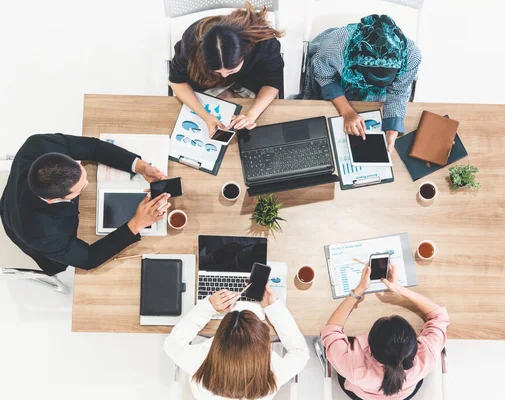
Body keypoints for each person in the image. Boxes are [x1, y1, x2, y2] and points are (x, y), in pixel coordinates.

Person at [0, 133, 171, 276]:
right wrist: (137, 223)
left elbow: (92, 148)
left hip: (20, 188)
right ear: (54, 200)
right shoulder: (41, 234)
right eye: (81, 188)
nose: (87, 183)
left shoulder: (38, 144)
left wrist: (140, 166)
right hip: (19, 224)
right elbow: (89, 258)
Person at [321, 261, 449, 400]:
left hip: (361, 391)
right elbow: (439, 316)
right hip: (404, 391)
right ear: (414, 343)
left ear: (368, 345)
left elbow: (330, 332)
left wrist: (358, 290)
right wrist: (400, 289)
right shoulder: (427, 356)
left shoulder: (353, 368)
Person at [300, 14, 421, 152]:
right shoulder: (334, 47)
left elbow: (398, 91)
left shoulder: (412, 55)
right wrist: (347, 112)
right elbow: (325, 77)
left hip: (376, 101)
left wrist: (392, 127)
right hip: (339, 82)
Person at [164, 285, 309, 400]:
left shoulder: (200, 360)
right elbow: (300, 353)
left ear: (219, 337)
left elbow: (172, 345)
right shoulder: (273, 372)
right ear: (264, 341)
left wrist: (208, 307)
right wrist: (274, 308)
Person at [169, 4, 284, 134]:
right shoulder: (192, 41)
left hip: (250, 84)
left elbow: (273, 82)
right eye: (217, 71)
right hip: (204, 85)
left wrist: (251, 115)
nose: (224, 76)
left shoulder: (264, 43)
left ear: (246, 51)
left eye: (230, 71)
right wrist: (205, 115)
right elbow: (176, 81)